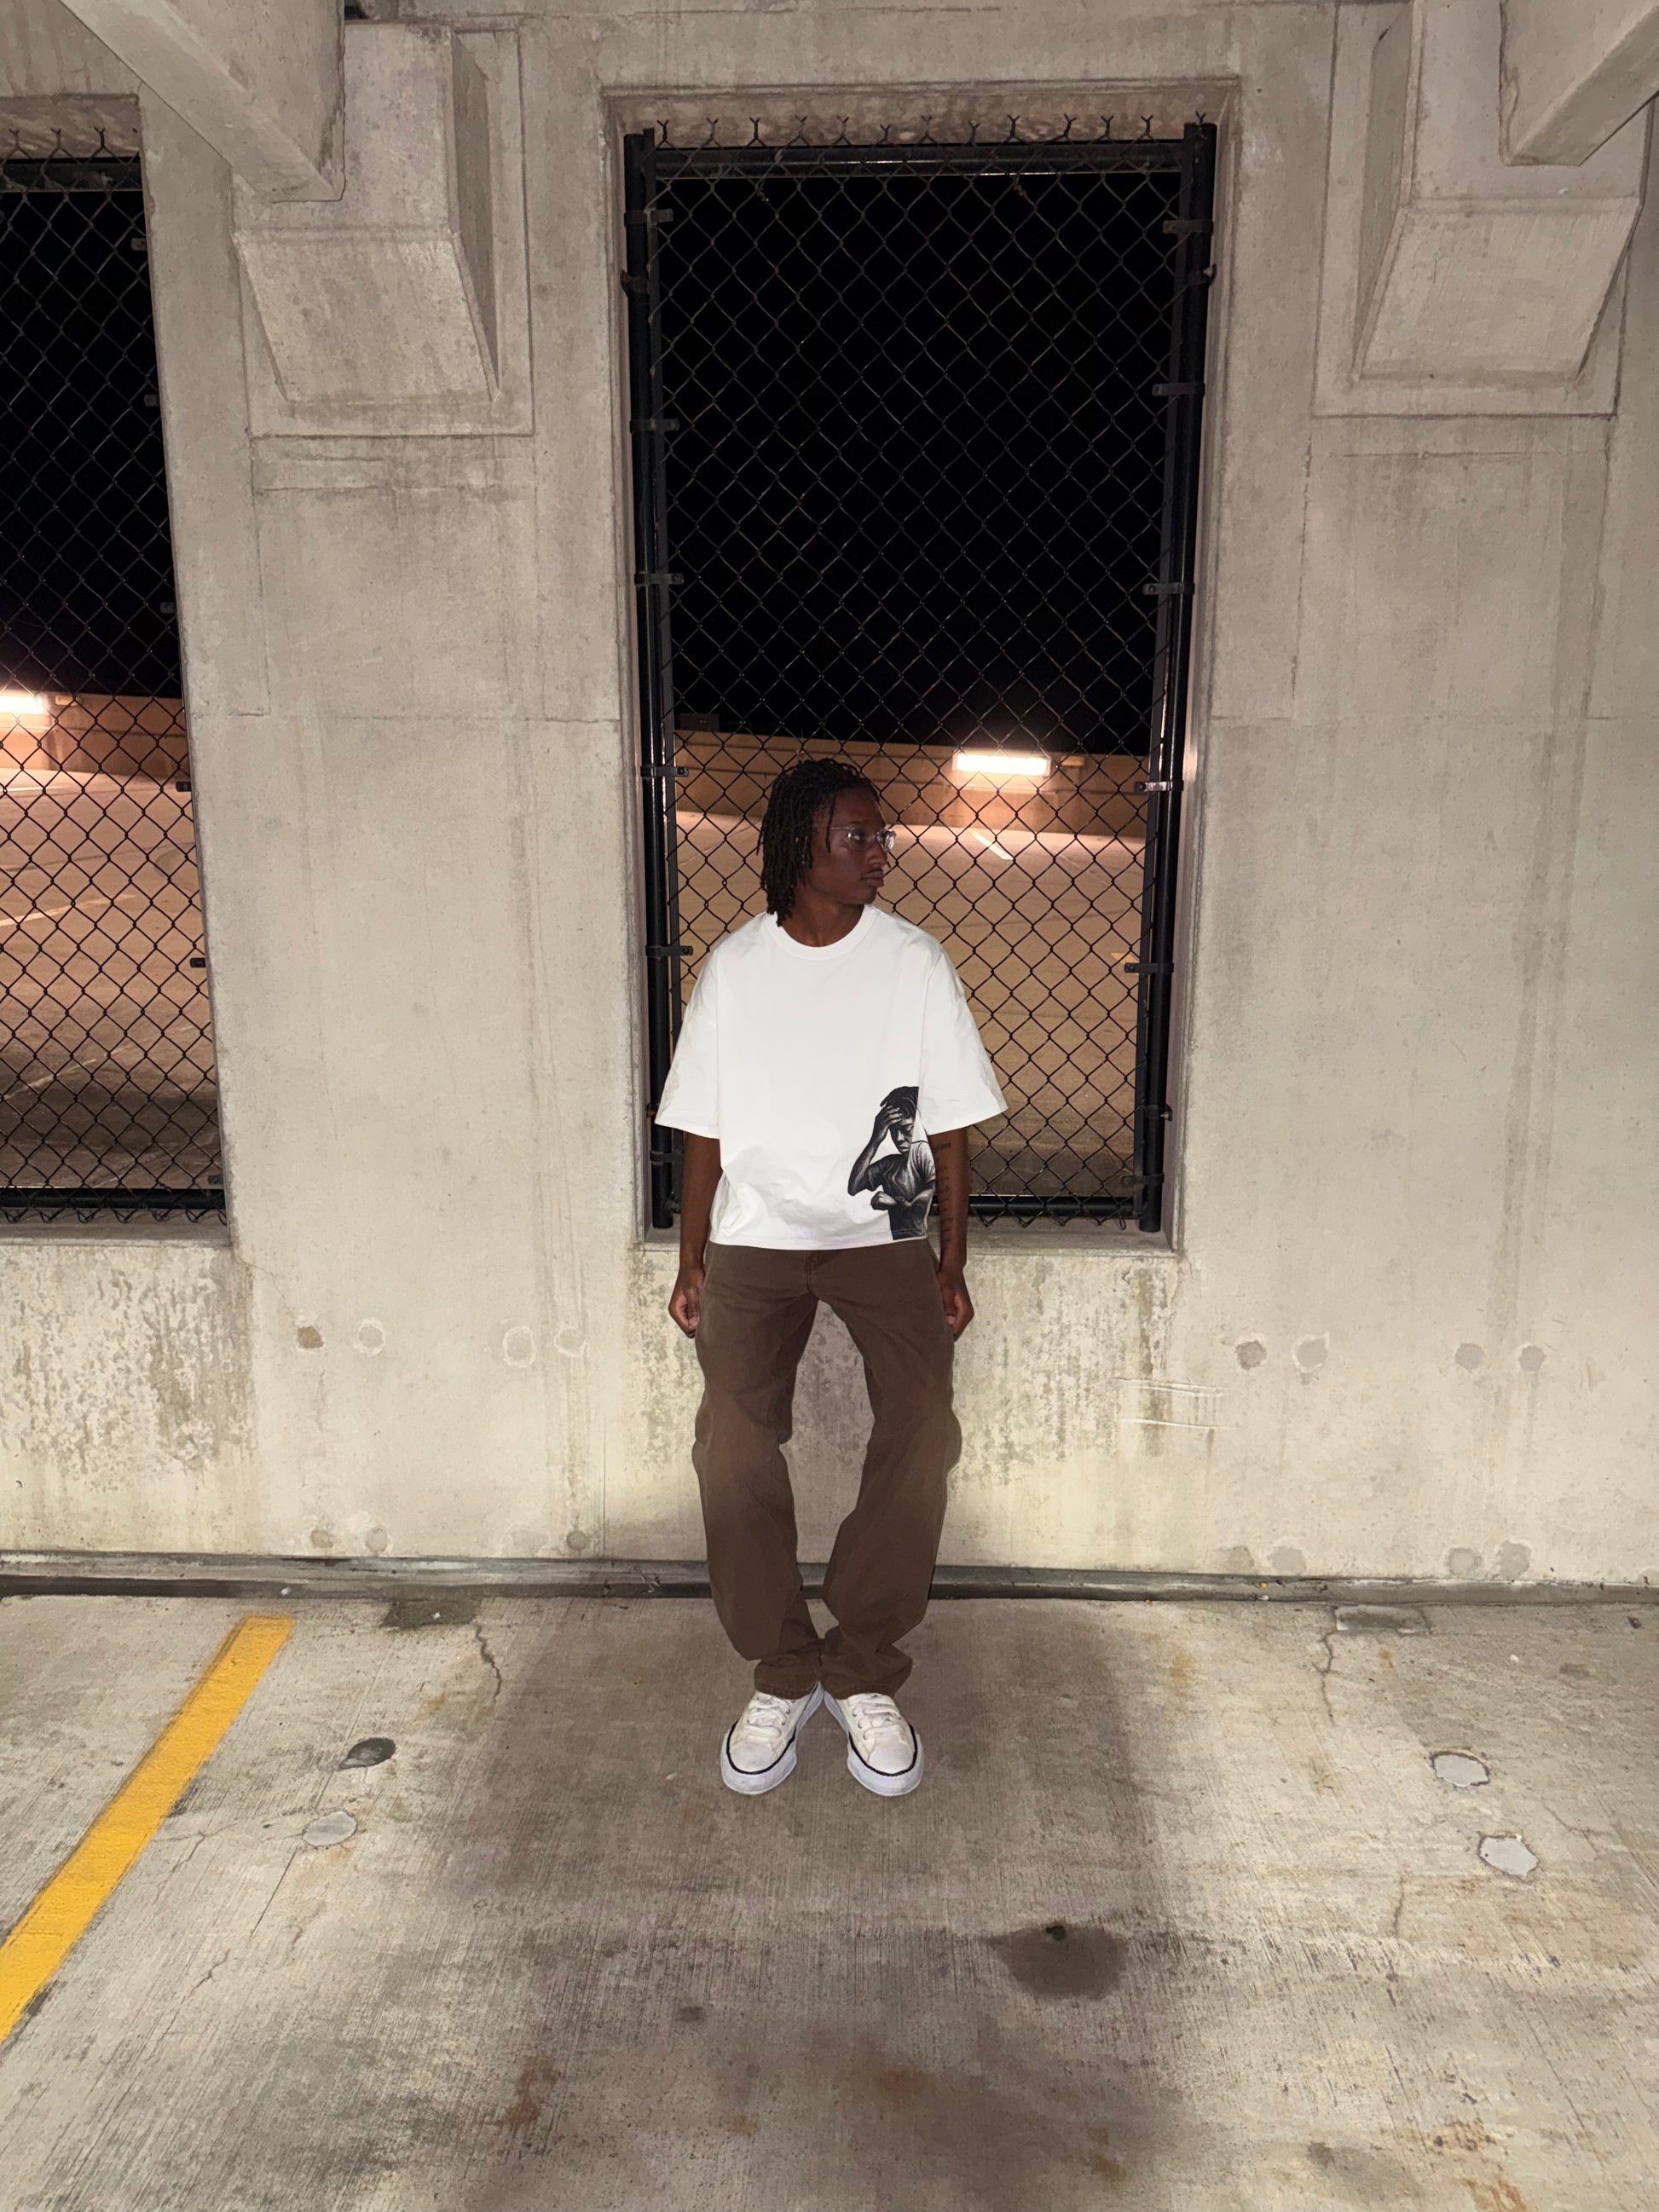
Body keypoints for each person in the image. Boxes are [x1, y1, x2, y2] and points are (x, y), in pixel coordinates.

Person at [656, 757, 1006, 1799]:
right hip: (756, 1241)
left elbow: (948, 1124)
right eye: (857, 835)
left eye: (880, 836)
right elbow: (703, 1130)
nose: (878, 852)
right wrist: (690, 1259)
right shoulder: (735, 970)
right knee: (730, 1444)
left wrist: (950, 1257)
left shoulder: (912, 962)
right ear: (799, 841)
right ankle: (782, 1667)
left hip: (883, 1235)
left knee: (921, 1427)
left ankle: (859, 1664)